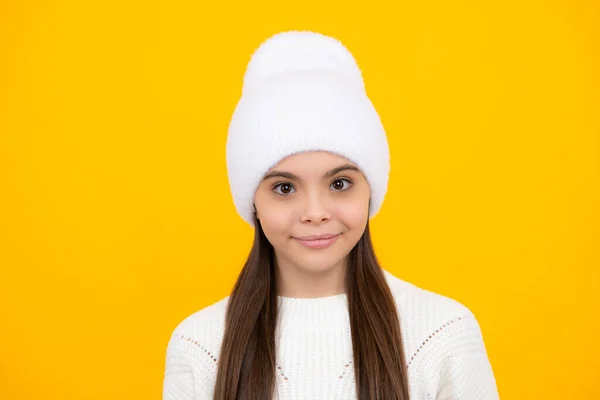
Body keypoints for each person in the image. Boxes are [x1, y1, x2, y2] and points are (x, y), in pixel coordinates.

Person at [162, 30, 499, 400]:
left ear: (371, 188)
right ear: (252, 201)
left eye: (339, 184)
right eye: (284, 188)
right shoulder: (199, 346)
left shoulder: (443, 334)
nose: (315, 213)